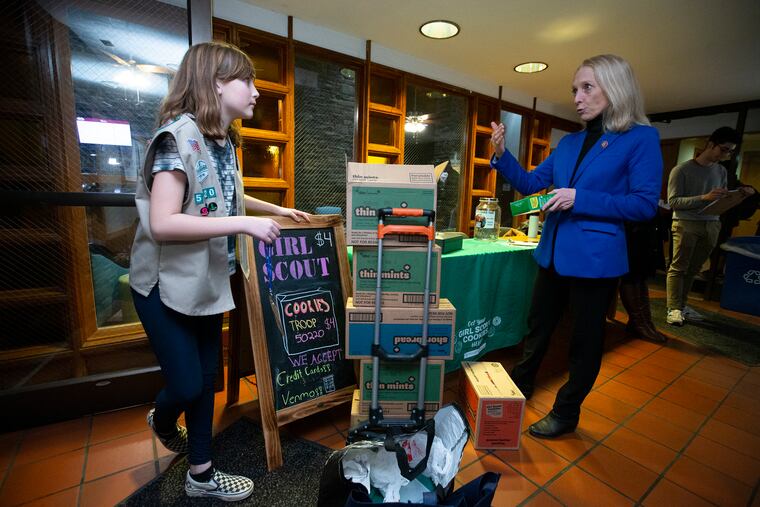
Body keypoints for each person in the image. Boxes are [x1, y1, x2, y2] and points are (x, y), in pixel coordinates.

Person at [129, 42, 310, 501]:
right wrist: (246, 225)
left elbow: (225, 198)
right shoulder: (174, 139)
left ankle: (201, 475)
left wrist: (275, 207)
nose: (255, 92)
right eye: (246, 81)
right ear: (215, 83)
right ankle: (164, 419)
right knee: (188, 383)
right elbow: (164, 222)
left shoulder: (221, 140)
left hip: (206, 282)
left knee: (208, 380)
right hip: (162, 286)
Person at [490, 54, 661, 438]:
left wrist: (578, 198)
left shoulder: (640, 138)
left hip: (596, 260)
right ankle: (523, 382)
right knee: (537, 327)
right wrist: (501, 154)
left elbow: (644, 204)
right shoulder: (569, 143)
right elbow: (532, 183)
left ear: (614, 89)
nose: (577, 97)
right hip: (551, 253)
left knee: (584, 341)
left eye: (587, 87)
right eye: (574, 89)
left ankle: (566, 412)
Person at [665, 127, 753, 326]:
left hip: (712, 224)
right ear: (710, 144)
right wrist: (704, 197)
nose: (727, 154)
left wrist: (737, 196)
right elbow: (674, 202)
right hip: (686, 223)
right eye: (724, 149)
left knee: (694, 269)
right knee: (679, 267)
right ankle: (674, 308)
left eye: (730, 151)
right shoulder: (682, 170)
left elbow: (719, 200)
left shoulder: (721, 170)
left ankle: (682, 305)